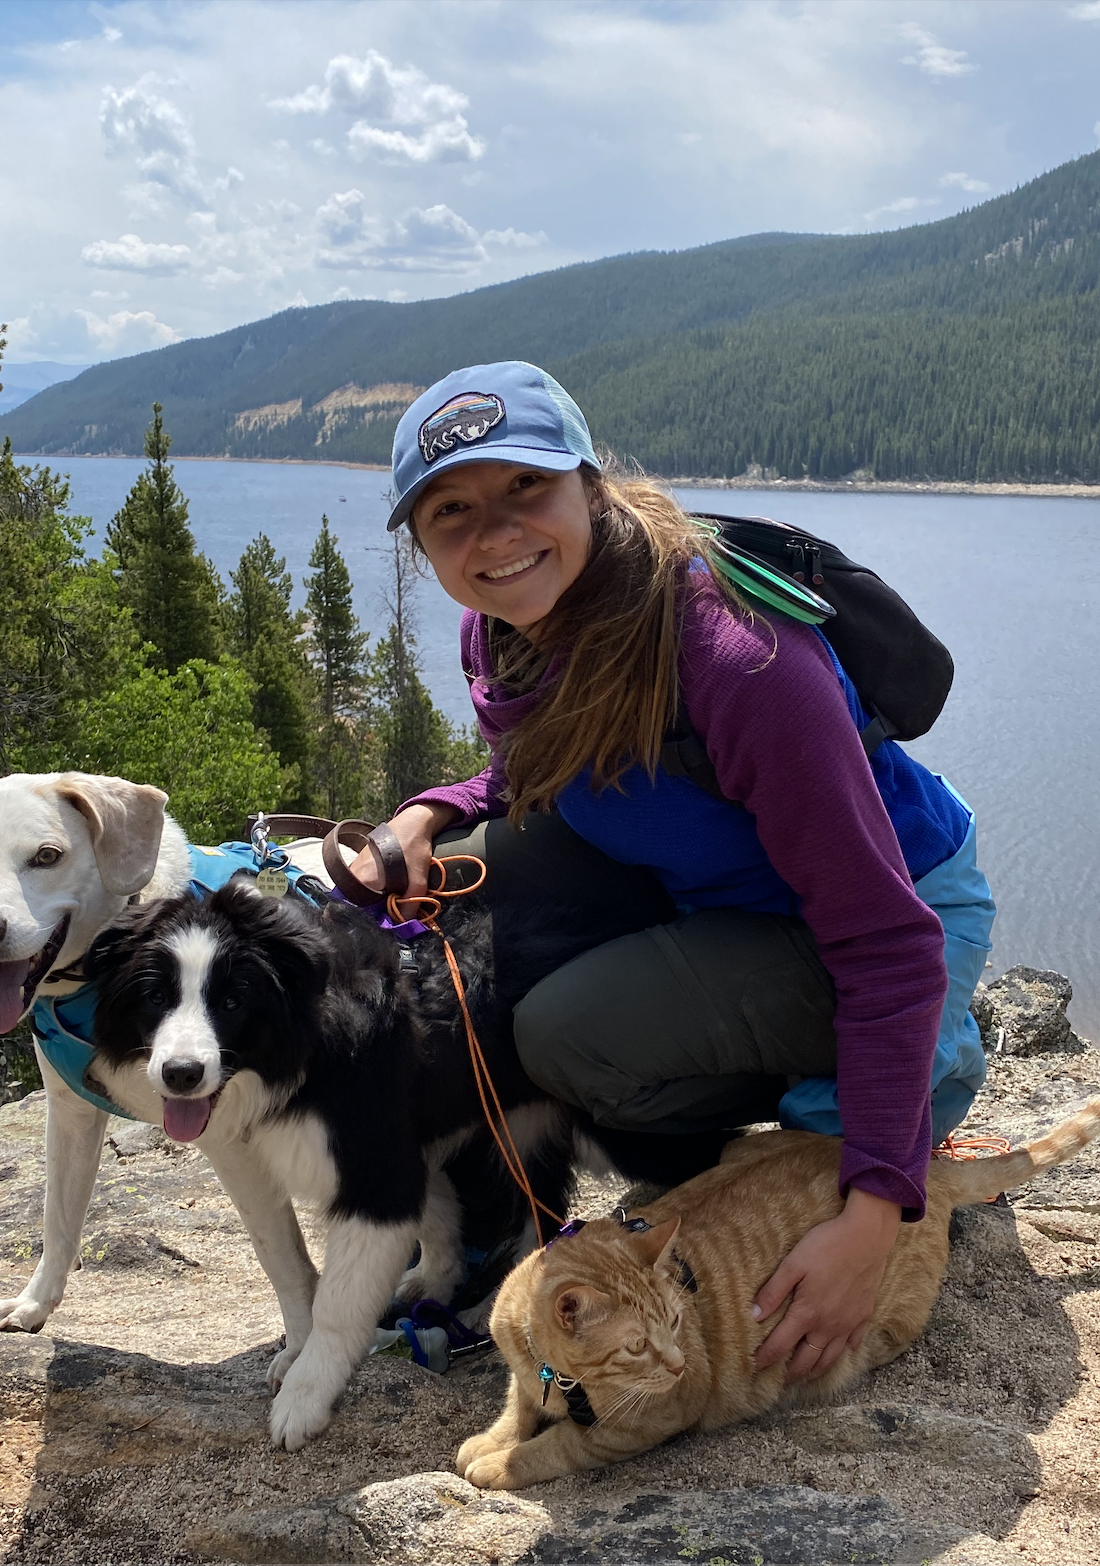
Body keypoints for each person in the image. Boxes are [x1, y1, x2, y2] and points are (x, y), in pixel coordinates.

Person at [352, 360, 995, 1386]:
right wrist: (430, 814)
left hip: (896, 916)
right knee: (472, 884)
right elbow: (527, 775)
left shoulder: (736, 657)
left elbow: (886, 940)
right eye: (453, 512)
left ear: (589, 487)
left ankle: (922, 1080)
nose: (497, 534)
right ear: (424, 544)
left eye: (527, 488)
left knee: (571, 1033)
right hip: (727, 893)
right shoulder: (507, 630)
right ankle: (516, 1202)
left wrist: (874, 1211)